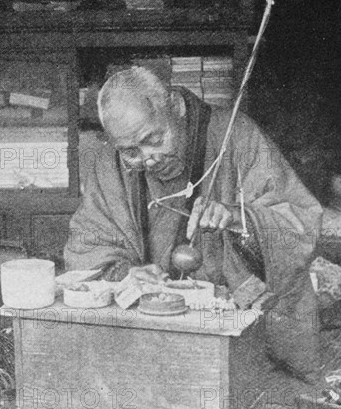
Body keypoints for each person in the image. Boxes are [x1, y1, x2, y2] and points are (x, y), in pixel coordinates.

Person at [64, 67, 324, 382]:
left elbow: (300, 222)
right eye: (131, 151)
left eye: (154, 140)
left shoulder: (237, 136)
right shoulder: (112, 163)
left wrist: (239, 217)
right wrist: (125, 273)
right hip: (152, 322)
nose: (148, 159)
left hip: (237, 321)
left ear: (176, 107)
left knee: (257, 391)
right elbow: (88, 242)